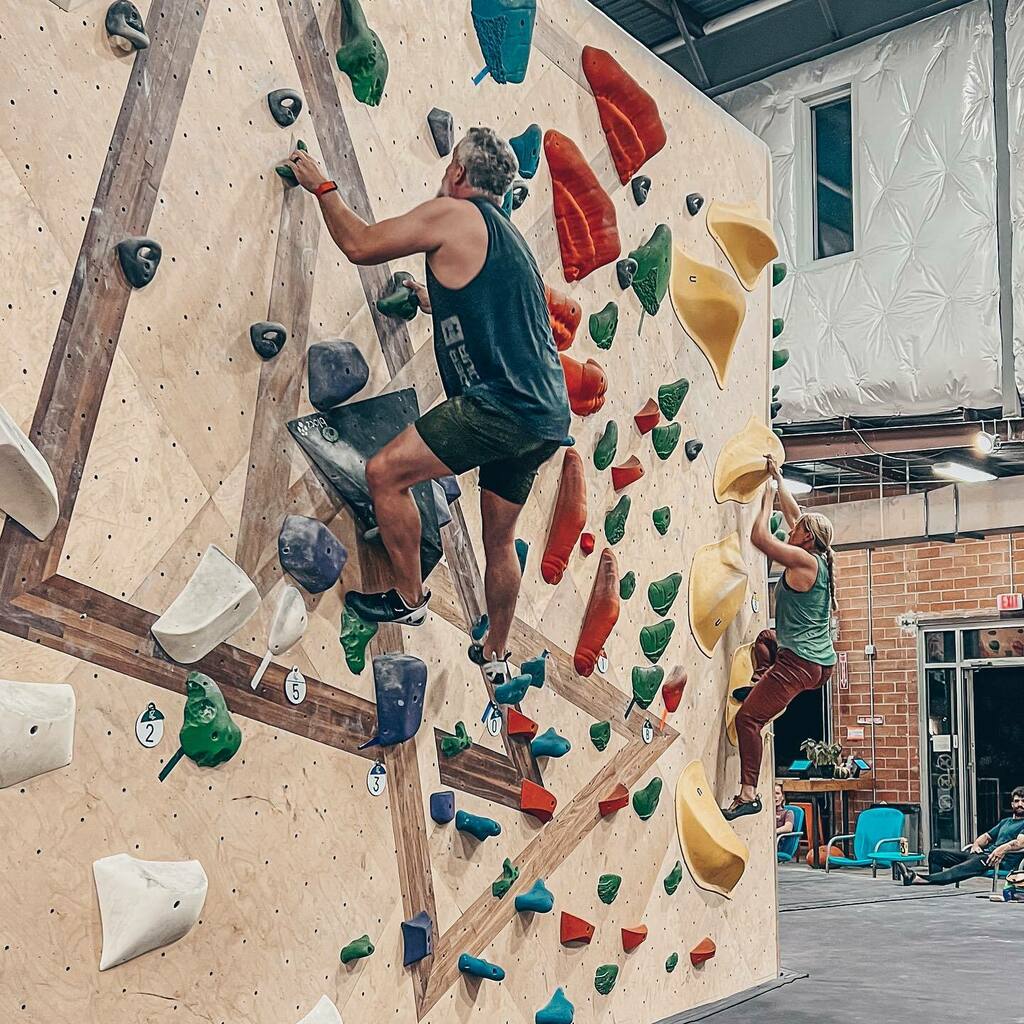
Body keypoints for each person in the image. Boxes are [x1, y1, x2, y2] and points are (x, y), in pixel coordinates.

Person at [286, 128, 570, 682]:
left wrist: (320, 185)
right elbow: (489, 307)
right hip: (544, 418)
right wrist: (427, 298)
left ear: (458, 174)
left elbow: (360, 244)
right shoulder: (509, 241)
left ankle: (409, 598)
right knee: (499, 541)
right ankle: (497, 653)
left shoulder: (455, 214)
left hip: (501, 408)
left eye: (448, 167)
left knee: (384, 474)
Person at [723, 456, 838, 820]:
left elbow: (760, 537)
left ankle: (748, 794)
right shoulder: (818, 557)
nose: (791, 529)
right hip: (817, 662)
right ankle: (760, 683)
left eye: (796, 529)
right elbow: (795, 514)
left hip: (799, 664)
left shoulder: (804, 562)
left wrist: (766, 499)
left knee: (748, 721)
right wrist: (778, 479)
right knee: (765, 639)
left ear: (808, 538)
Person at [894, 787, 1024, 886]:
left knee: (960, 869)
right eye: (1017, 801)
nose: (1020, 804)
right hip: (982, 855)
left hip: (997, 861)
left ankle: (917, 878)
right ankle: (934, 885)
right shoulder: (1006, 822)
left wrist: (1003, 848)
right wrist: (976, 844)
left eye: (1023, 801)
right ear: (1012, 804)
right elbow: (986, 837)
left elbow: (1020, 843)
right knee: (936, 854)